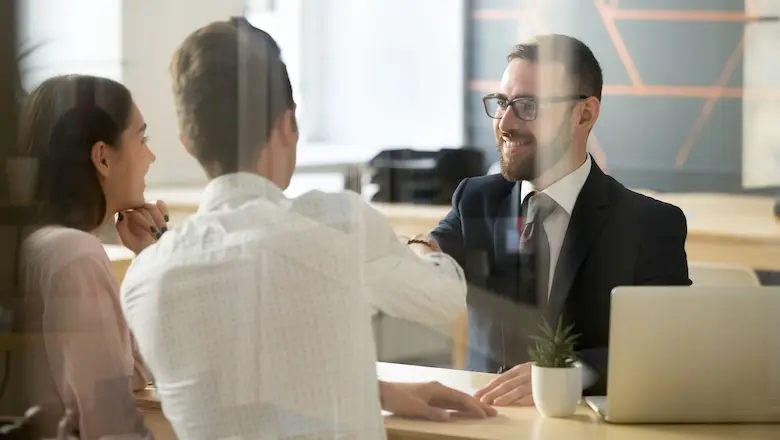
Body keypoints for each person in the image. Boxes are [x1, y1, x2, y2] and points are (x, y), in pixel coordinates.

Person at [119, 17, 495, 440]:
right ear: (286, 124)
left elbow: (244, 388)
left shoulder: (144, 277)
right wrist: (425, 246)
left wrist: (376, 391)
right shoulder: (336, 223)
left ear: (188, 141)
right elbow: (444, 300)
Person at [425, 34, 691, 405]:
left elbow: (668, 347)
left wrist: (566, 372)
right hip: (484, 422)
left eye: (528, 106)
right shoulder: (476, 199)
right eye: (502, 103)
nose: (505, 123)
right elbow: (433, 251)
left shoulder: (649, 225)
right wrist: (419, 251)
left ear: (584, 114)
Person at [15, 74, 169, 439]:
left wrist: (149, 258)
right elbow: (110, 425)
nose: (151, 157)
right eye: (141, 139)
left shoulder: (49, 244)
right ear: (102, 157)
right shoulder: (75, 254)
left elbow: (133, 375)